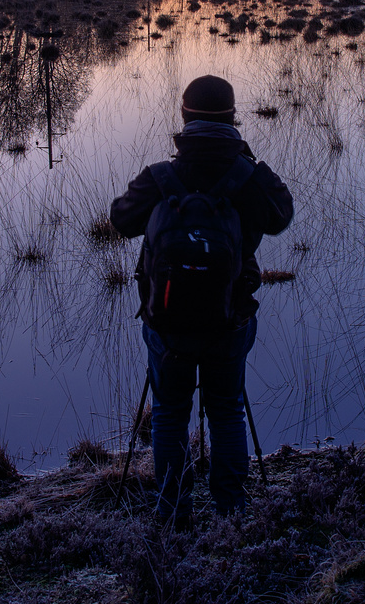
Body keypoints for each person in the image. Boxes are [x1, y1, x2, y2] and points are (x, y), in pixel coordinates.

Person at [110, 74, 293, 523]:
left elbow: (120, 219)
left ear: (184, 117)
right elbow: (282, 215)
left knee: (170, 414)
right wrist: (250, 163)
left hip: (166, 325)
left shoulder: (160, 177)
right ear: (233, 118)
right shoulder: (247, 176)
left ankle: (173, 511)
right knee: (227, 409)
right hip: (228, 322)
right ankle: (231, 511)